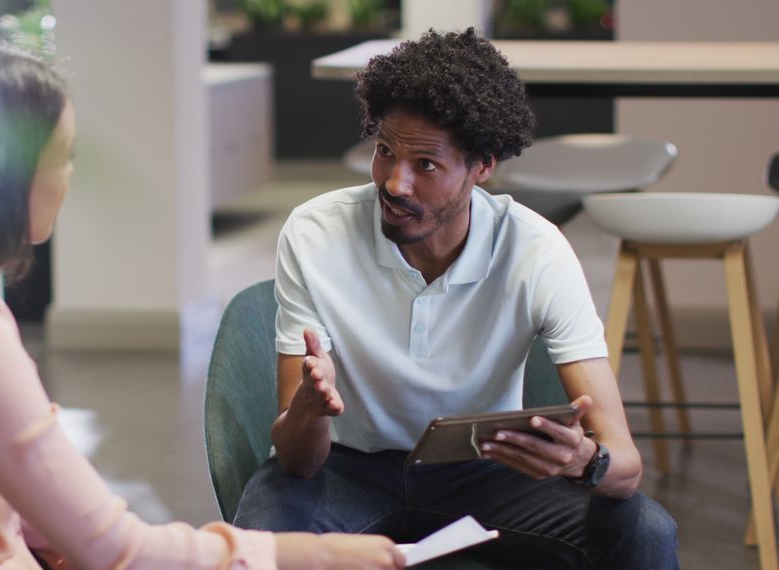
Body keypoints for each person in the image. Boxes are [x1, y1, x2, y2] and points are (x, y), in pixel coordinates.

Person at [0, 36, 404, 570]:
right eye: (63, 155)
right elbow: (115, 551)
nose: (69, 176)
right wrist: (310, 554)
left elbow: (25, 506)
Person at [231, 28, 679, 569]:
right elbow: (301, 464)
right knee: (261, 547)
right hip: (344, 469)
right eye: (385, 152)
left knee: (644, 529)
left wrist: (586, 461)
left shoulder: (535, 251)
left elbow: (625, 466)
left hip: (486, 475)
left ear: (483, 165)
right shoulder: (315, 233)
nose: (395, 183)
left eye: (425, 165)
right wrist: (309, 410)